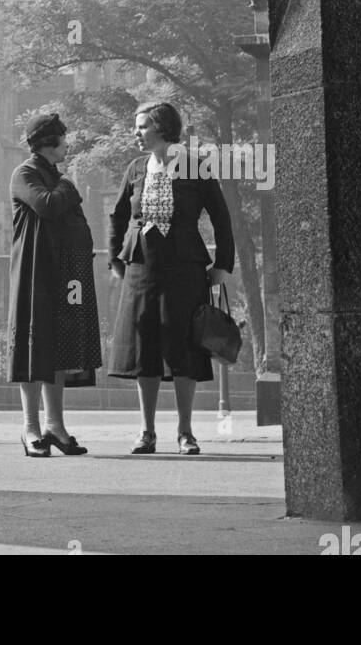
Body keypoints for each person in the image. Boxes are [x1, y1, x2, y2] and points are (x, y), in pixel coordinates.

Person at [108, 101, 234, 455]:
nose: (136, 132)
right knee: (144, 348)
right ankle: (146, 432)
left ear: (163, 128)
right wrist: (117, 257)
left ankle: (185, 432)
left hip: (184, 270)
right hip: (141, 270)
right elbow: (118, 216)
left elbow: (222, 220)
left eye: (143, 126)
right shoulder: (135, 168)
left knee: (184, 348)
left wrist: (222, 265)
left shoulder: (196, 168)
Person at [7, 112, 101, 456]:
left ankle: (56, 427)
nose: (67, 144)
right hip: (36, 273)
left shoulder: (53, 175)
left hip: (64, 273)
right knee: (34, 350)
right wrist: (69, 186)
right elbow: (47, 206)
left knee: (58, 350)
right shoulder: (25, 174)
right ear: (49, 142)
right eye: (63, 138)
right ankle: (31, 429)